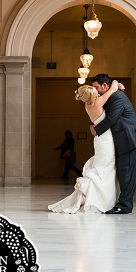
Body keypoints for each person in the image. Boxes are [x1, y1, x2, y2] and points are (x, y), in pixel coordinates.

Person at [48, 79, 123, 213]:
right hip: (105, 140)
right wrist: (116, 83)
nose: (98, 94)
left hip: (100, 140)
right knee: (105, 169)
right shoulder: (98, 102)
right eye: (96, 94)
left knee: (102, 167)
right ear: (92, 97)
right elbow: (112, 90)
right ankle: (102, 201)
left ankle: (101, 199)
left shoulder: (88, 106)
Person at [90, 73, 136, 214]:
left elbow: (112, 118)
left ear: (104, 85)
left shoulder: (117, 97)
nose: (94, 91)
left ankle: (125, 206)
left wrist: (97, 130)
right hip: (123, 141)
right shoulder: (111, 95)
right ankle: (121, 203)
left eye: (96, 87)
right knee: (123, 173)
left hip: (129, 140)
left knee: (127, 174)